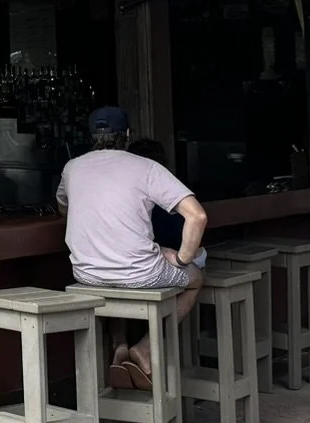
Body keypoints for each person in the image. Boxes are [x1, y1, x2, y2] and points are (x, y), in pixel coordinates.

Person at [58, 106, 209, 390]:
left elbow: (63, 208)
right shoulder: (146, 167)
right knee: (195, 279)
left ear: (92, 136)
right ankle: (146, 347)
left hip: (86, 275)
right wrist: (181, 258)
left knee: (114, 283)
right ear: (127, 134)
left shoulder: (72, 168)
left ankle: (119, 345)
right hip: (140, 274)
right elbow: (197, 216)